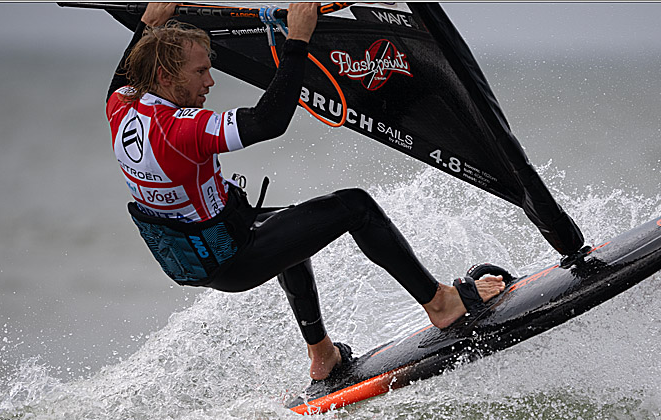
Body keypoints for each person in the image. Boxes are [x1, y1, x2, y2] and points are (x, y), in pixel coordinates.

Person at [106, 2, 504, 382]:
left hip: (198, 252)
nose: (210, 81)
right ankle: (441, 304)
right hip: (231, 257)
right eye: (200, 72)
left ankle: (322, 355)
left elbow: (124, 76)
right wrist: (298, 40)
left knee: (290, 229)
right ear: (164, 76)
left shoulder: (121, 106)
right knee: (355, 206)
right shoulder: (180, 130)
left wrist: (148, 25)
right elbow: (267, 121)